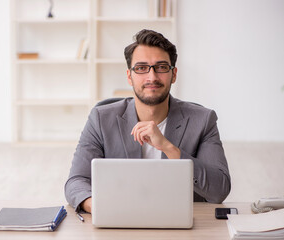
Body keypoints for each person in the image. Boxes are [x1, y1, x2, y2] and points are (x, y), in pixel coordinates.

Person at [65, 29, 231, 213]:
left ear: (173, 74)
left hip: (179, 225)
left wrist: (169, 148)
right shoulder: (100, 119)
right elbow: (76, 181)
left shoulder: (203, 120)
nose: (152, 77)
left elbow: (219, 190)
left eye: (161, 67)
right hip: (118, 220)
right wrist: (101, 207)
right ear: (129, 76)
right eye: (141, 68)